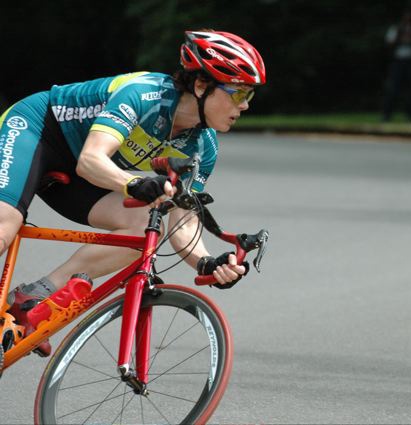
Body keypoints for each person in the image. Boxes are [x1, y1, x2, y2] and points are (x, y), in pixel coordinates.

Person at [0, 30, 266, 356]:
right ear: (201, 86)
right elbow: (91, 161)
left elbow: (182, 220)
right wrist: (134, 183)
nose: (246, 105)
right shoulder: (145, 94)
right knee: (5, 224)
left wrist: (207, 264)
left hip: (83, 171)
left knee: (145, 226)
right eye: (239, 94)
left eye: (250, 95)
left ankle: (33, 298)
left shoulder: (202, 147)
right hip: (38, 131)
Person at [382, 9, 411, 121]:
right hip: (398, 61)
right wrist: (401, 39)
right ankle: (386, 115)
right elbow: (389, 42)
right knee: (393, 88)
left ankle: (408, 114)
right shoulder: (397, 28)